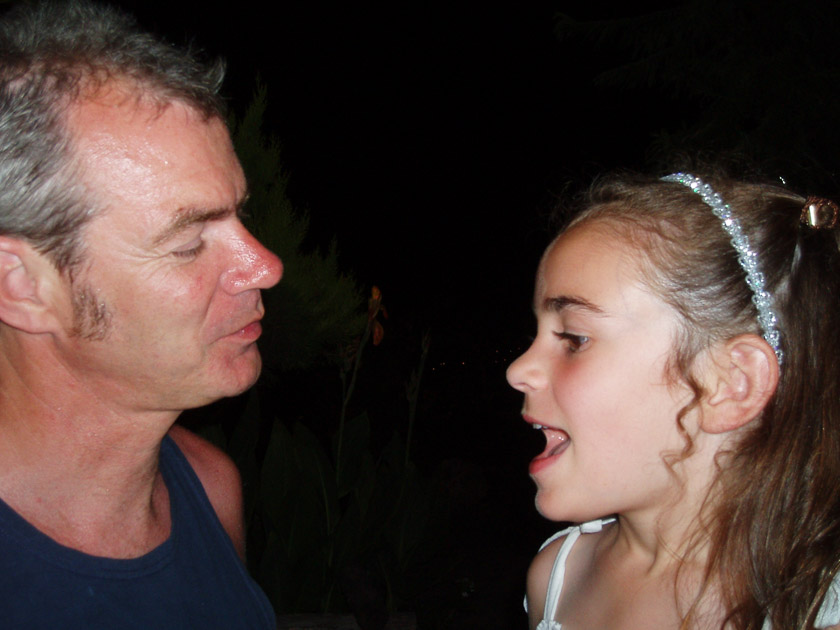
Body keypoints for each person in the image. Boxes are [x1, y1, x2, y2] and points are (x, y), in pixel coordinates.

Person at [0, 1, 281, 627]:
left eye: (240, 215)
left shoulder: (211, 488)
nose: (265, 266)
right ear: (21, 286)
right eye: (188, 243)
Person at [507, 170, 840, 629]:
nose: (517, 370)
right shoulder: (559, 577)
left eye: (574, 338)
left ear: (730, 383)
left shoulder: (809, 612)